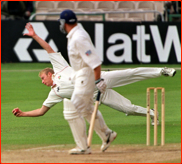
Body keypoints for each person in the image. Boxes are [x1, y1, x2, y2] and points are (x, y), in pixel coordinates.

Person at [13, 22, 176, 153]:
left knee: (130, 73)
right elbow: (41, 111)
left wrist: (34, 36)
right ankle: (153, 114)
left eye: (42, 78)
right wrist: (23, 114)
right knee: (128, 108)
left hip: (98, 79)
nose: (42, 81)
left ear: (49, 74)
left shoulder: (59, 68)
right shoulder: (55, 93)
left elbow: (49, 49)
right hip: (99, 95)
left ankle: (161, 70)